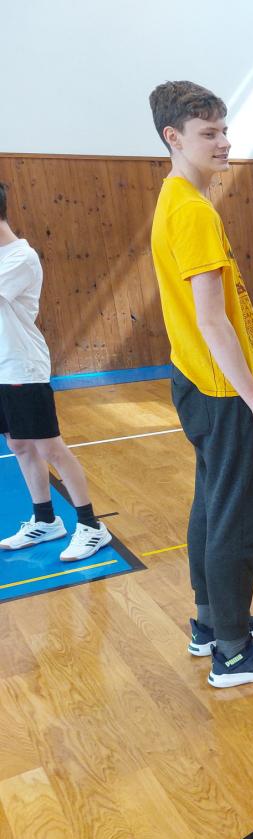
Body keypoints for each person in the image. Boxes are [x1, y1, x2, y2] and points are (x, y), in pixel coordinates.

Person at [148, 80, 253, 687]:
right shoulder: (193, 211)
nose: (223, 142)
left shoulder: (174, 198)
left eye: (224, 130)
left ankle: (212, 624)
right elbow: (213, 321)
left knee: (212, 505)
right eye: (209, 133)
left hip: (194, 380)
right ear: (174, 137)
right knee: (239, 517)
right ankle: (235, 653)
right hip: (218, 388)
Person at [0, 182, 112, 561]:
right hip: (1, 368)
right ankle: (45, 520)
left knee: (50, 447)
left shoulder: (21, 257)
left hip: (22, 366)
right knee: (18, 444)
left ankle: (91, 526)